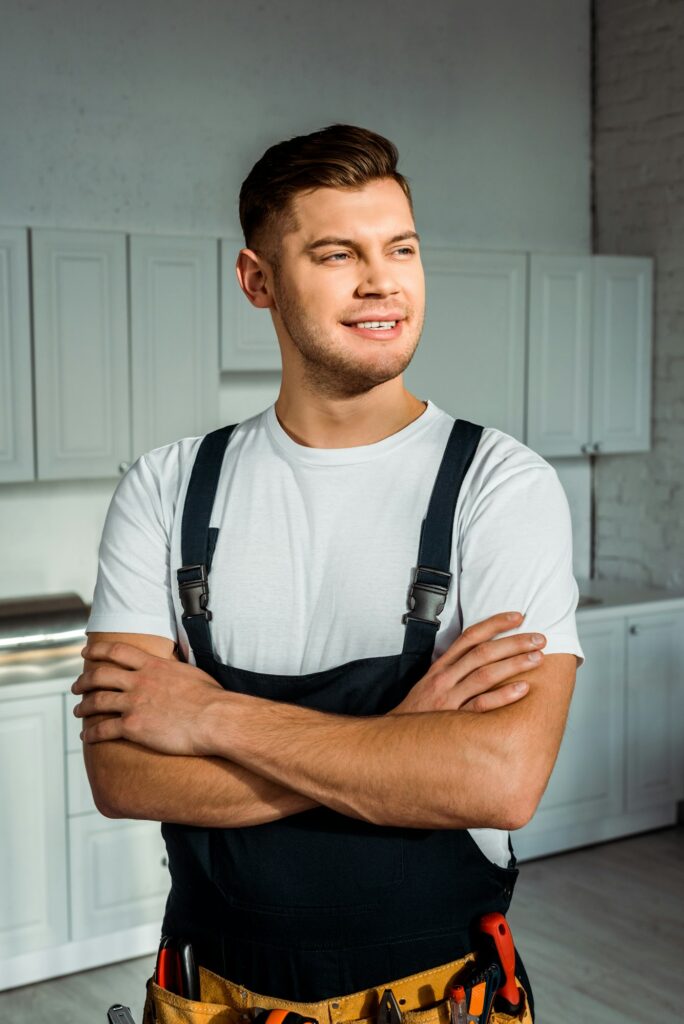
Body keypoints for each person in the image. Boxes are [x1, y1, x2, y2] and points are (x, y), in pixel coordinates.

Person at [73, 124, 584, 1024]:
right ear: (257, 279)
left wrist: (207, 716)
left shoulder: (500, 486)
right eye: (338, 253)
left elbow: (500, 781)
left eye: (402, 249)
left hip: (437, 1000)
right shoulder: (166, 488)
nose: (382, 280)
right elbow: (122, 773)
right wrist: (398, 741)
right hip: (208, 999)